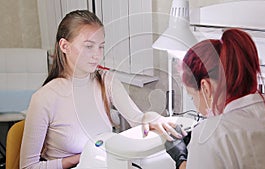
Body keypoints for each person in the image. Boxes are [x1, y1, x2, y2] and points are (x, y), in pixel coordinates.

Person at [20, 10, 183, 169]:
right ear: (64, 46)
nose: (97, 55)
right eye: (89, 46)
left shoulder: (106, 80)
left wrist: (154, 119)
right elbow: (28, 166)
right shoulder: (44, 98)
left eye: (101, 47)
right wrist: (77, 159)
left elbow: (137, 118)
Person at [165, 28, 265, 169]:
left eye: (192, 97)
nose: (198, 109)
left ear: (205, 87)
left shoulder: (210, 138)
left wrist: (180, 159)